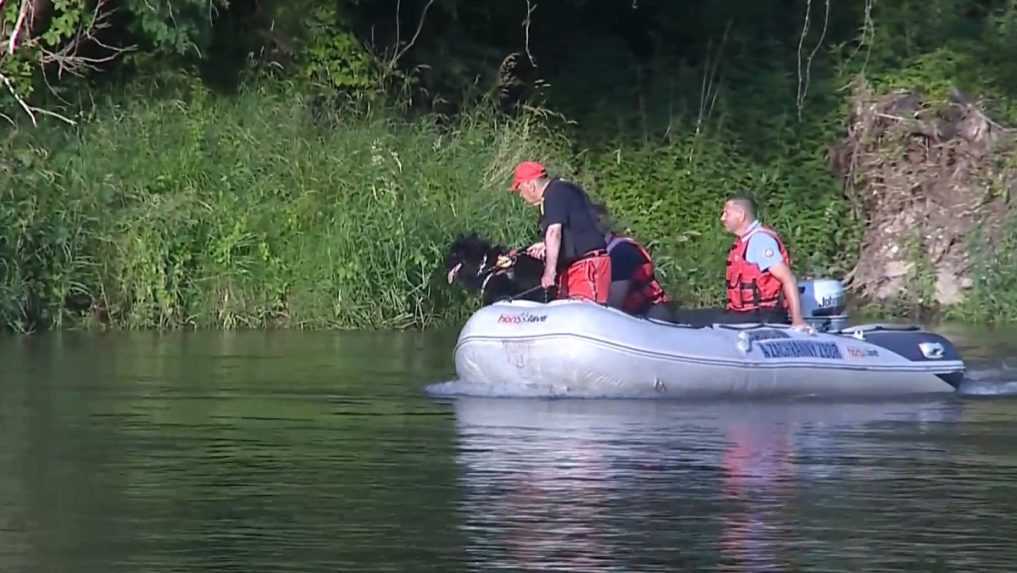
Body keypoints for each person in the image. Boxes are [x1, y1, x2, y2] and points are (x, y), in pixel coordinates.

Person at [509, 161, 611, 304]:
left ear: (530, 185)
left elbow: (554, 232)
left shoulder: (555, 193)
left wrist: (549, 272)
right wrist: (545, 245)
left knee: (582, 317)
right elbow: (573, 227)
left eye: (520, 189)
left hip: (587, 265)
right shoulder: (560, 191)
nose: (521, 195)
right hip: (574, 266)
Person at [720, 196, 811, 330]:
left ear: (740, 215)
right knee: (690, 316)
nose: (722, 218)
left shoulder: (760, 241)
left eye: (726, 213)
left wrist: (797, 320)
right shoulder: (744, 241)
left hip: (762, 316)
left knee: (690, 321)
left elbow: (788, 279)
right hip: (744, 314)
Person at [590, 203, 672, 319]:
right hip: (630, 319)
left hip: (651, 318)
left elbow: (614, 307)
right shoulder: (598, 254)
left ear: (598, 221)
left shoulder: (621, 251)